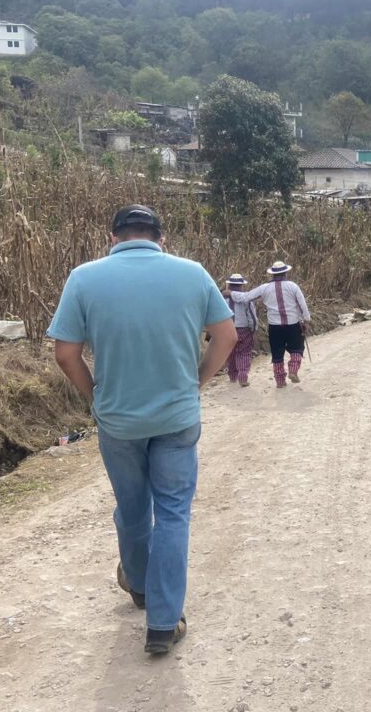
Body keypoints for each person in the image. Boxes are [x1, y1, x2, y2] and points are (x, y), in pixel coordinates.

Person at [48, 204, 237, 656]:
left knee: (133, 510)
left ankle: (138, 584)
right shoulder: (192, 273)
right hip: (176, 419)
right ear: (160, 239)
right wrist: (196, 383)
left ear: (113, 238)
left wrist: (95, 397)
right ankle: (163, 623)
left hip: (118, 420)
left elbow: (65, 353)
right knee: (173, 514)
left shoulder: (84, 278)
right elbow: (227, 336)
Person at [229, 261, 311, 389]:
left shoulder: (264, 288)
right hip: (293, 324)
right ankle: (293, 369)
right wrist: (306, 320)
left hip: (275, 327)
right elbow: (302, 305)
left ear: (272, 274)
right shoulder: (293, 286)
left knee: (277, 353)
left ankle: (280, 381)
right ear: (285, 273)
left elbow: (246, 297)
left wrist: (230, 293)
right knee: (297, 348)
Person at [223, 274, 258, 387]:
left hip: (227, 329)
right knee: (244, 353)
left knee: (230, 353)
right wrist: (253, 328)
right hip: (243, 330)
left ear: (229, 285)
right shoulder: (246, 299)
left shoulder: (222, 299)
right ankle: (242, 376)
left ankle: (233, 377)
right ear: (242, 285)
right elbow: (251, 316)